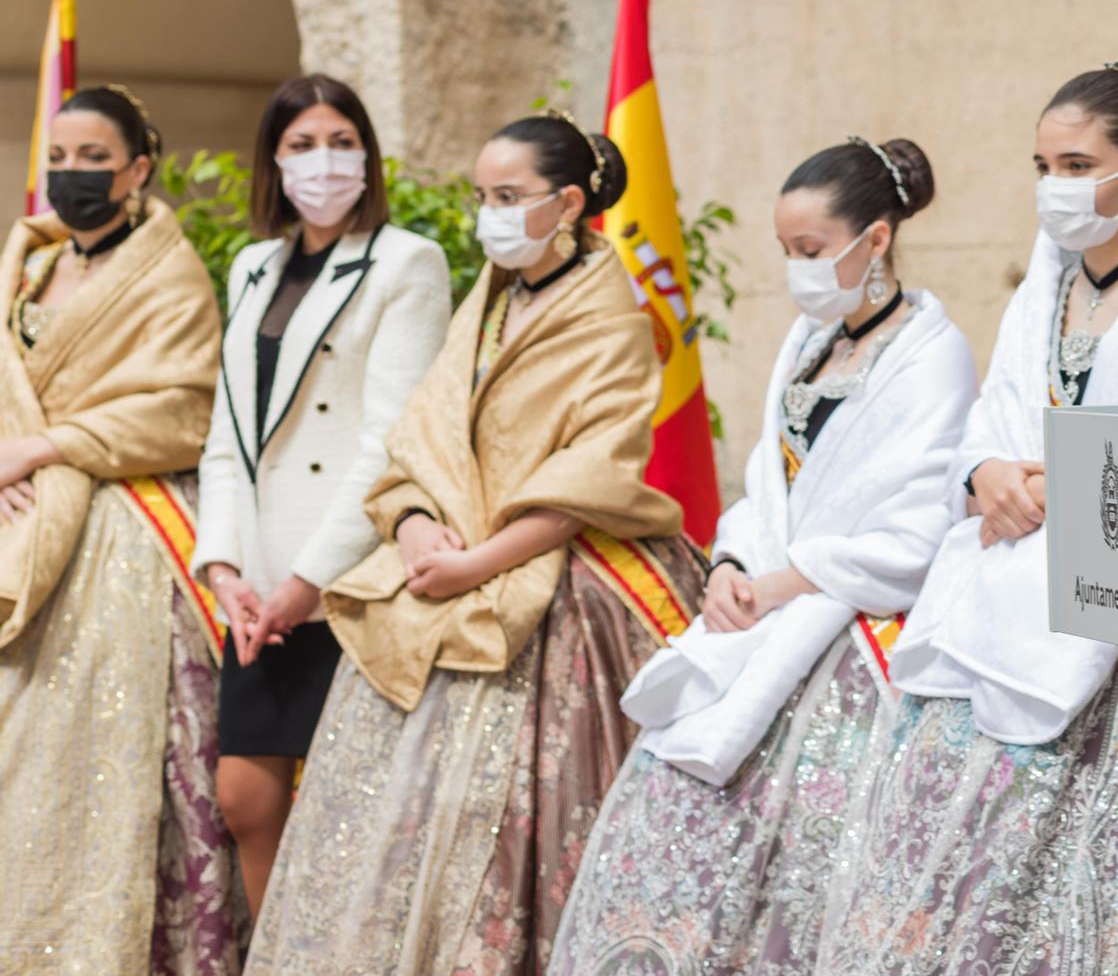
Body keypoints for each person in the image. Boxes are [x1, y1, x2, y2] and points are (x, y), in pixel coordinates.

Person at [816, 66, 1118, 976]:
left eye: (1077, 163)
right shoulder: (1048, 279)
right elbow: (996, 410)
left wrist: (1057, 489)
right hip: (1005, 582)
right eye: (1042, 164)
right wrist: (987, 471)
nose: (1053, 188)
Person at [246, 111, 707, 974]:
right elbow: (419, 431)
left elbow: (593, 474)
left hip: (554, 584)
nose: (486, 214)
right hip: (440, 566)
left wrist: (473, 562)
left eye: (508, 196)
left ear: (568, 202)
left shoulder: (611, 315)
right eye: (480, 195)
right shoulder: (489, 296)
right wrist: (416, 523)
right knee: (388, 827)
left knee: (511, 827)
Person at [550, 136, 978, 973]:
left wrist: (785, 581)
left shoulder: (933, 354)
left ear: (877, 239)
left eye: (812, 251)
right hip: (767, 607)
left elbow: (920, 526)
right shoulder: (807, 343)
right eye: (787, 251)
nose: (797, 270)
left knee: (812, 863)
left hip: (853, 640)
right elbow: (764, 482)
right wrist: (731, 566)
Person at [192, 74, 452, 916]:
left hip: (345, 571)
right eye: (302, 144)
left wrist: (308, 580)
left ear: (369, 155)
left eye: (341, 141)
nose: (323, 161)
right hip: (257, 578)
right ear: (274, 159)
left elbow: (389, 437)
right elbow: (231, 431)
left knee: (347, 812)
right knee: (244, 798)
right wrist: (226, 565)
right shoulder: (252, 265)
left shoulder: (407, 260)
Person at [0, 86, 235, 971]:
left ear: (139, 168)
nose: (71, 177)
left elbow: (180, 407)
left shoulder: (169, 273)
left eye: (93, 160)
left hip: (122, 526)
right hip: (15, 514)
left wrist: (44, 448)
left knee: (98, 751)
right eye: (58, 160)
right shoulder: (25, 265)